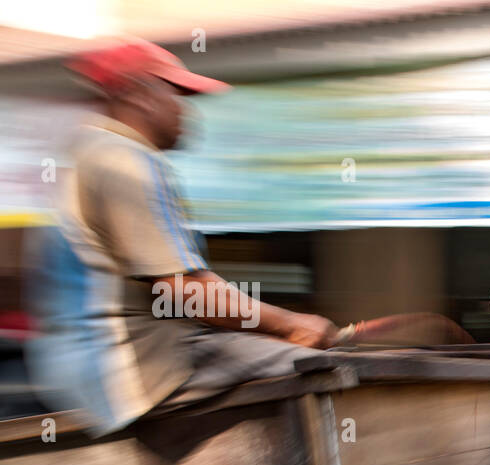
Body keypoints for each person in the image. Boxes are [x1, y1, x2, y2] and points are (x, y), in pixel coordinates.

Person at [26, 39, 337, 437]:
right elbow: (183, 292)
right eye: (176, 94)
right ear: (140, 94)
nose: (185, 110)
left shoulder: (86, 149)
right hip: (126, 373)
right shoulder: (125, 161)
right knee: (320, 368)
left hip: (76, 368)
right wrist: (292, 324)